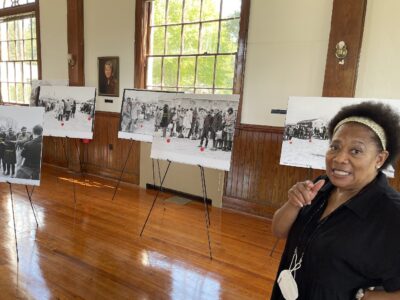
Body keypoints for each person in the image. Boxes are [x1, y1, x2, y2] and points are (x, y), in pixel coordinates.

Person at [271, 102, 400, 300]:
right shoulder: (319, 186)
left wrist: (370, 297)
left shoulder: (391, 212)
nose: (339, 158)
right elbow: (278, 231)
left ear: (380, 159)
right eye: (334, 147)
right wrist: (293, 203)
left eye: (356, 151)